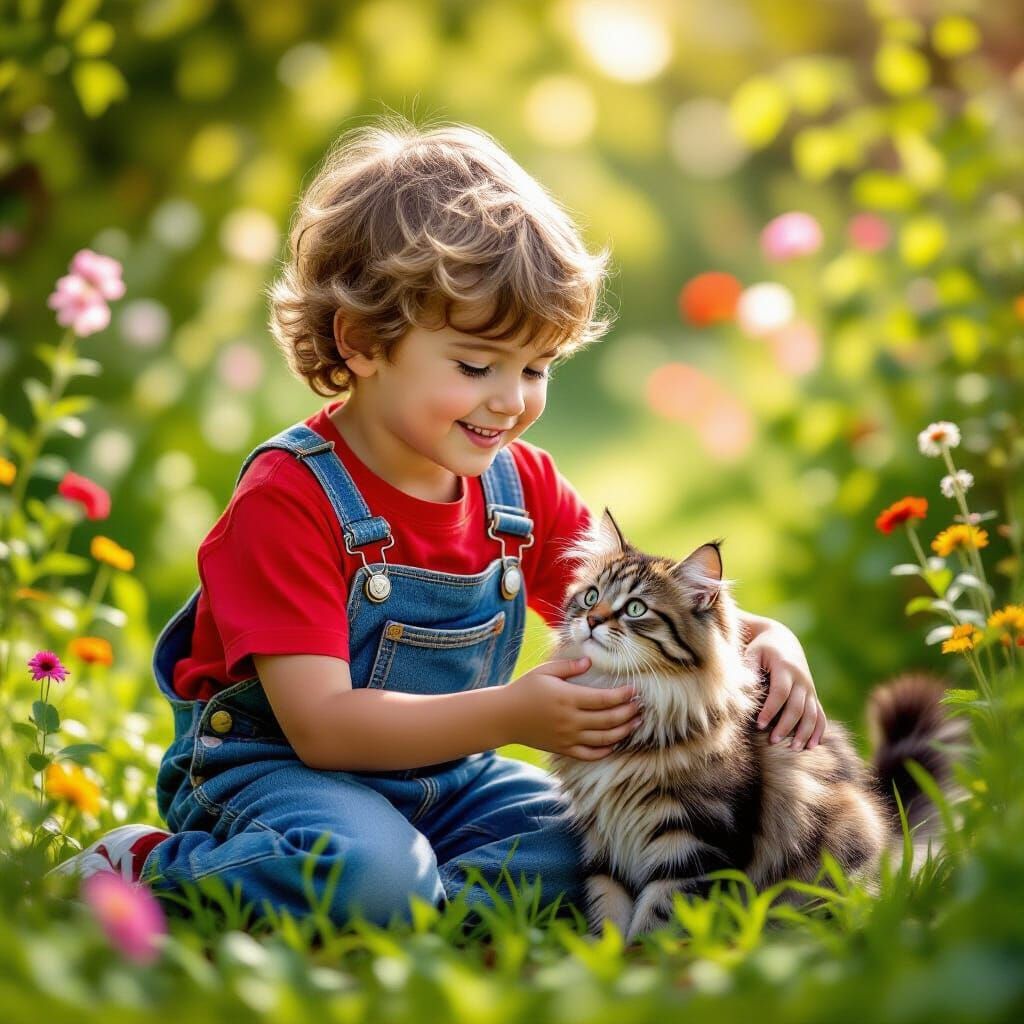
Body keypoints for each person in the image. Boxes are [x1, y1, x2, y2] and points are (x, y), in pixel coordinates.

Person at [51, 118, 827, 927]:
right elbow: (321, 729)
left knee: (597, 846)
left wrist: (765, 639)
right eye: (476, 365)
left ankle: (412, 903)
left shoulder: (519, 488)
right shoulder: (289, 499)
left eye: (537, 368)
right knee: (363, 871)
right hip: (277, 777)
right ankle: (146, 871)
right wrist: (512, 714)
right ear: (361, 342)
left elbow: (637, 607)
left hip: (450, 781)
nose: (512, 400)